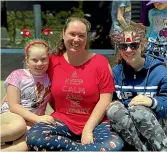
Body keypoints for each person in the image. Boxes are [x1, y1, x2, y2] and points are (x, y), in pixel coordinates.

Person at [26, 17, 124, 151]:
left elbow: (105, 100)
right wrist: (14, 91)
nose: (76, 39)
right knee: (34, 137)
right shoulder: (52, 61)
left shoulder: (100, 62)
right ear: (63, 34)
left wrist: (88, 129)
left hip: (96, 123)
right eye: (72, 34)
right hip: (62, 120)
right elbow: (31, 75)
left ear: (86, 38)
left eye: (81, 35)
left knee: (115, 145)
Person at [106, 24, 167, 151]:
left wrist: (152, 102)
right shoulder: (116, 72)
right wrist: (113, 103)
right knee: (113, 110)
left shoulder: (160, 71)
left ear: (142, 45)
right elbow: (110, 99)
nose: (128, 50)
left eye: (134, 45)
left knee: (138, 110)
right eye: (124, 46)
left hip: (158, 123)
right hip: (132, 127)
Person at [0, 28, 55, 151]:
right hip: (10, 114)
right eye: (34, 60)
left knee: (29, 141)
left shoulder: (50, 78)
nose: (39, 63)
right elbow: (14, 106)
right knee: (18, 126)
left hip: (31, 120)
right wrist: (38, 119)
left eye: (43, 59)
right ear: (27, 60)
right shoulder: (18, 75)